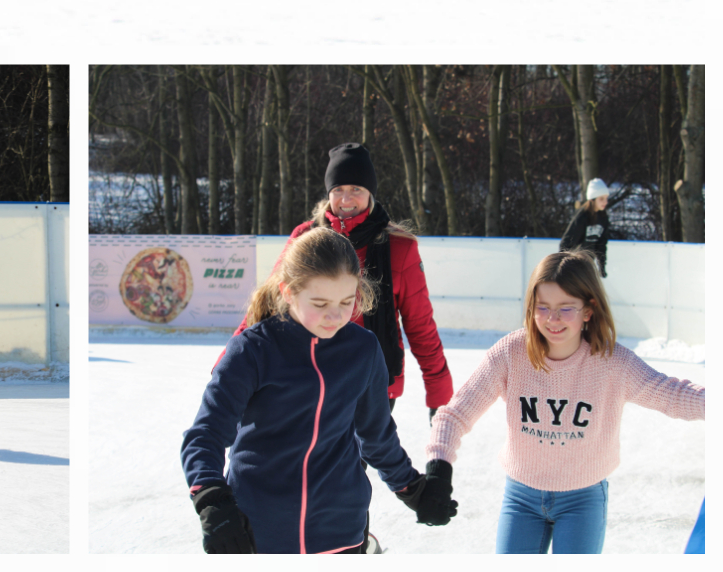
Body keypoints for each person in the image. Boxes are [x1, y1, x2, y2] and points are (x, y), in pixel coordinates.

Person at [183, 226, 455, 553]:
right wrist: (211, 499)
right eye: (320, 302)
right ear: (288, 291)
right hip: (260, 528)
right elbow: (206, 433)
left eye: (347, 301)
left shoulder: (363, 349)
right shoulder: (253, 350)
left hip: (340, 529)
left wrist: (413, 489)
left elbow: (376, 435)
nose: (335, 315)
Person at [428, 249, 705, 554]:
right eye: (543, 307)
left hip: (582, 500)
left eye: (565, 308)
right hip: (521, 498)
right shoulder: (511, 354)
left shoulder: (613, 363)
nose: (553, 319)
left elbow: (672, 394)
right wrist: (438, 470)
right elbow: (455, 414)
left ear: (588, 309)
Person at [241, 145, 454, 422]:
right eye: (338, 189)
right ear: (328, 193)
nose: (346, 198)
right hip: (309, 376)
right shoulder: (305, 237)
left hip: (371, 385)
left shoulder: (399, 247)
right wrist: (228, 365)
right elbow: (267, 304)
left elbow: (420, 326)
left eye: (356, 188)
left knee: (358, 452)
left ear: (371, 193)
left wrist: (440, 395)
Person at [560, 178, 615, 274]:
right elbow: (566, 243)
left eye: (606, 198)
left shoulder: (603, 218)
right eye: (601, 199)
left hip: (588, 265)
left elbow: (601, 244)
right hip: (574, 266)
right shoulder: (582, 217)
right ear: (592, 199)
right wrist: (563, 267)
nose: (605, 202)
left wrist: (602, 265)